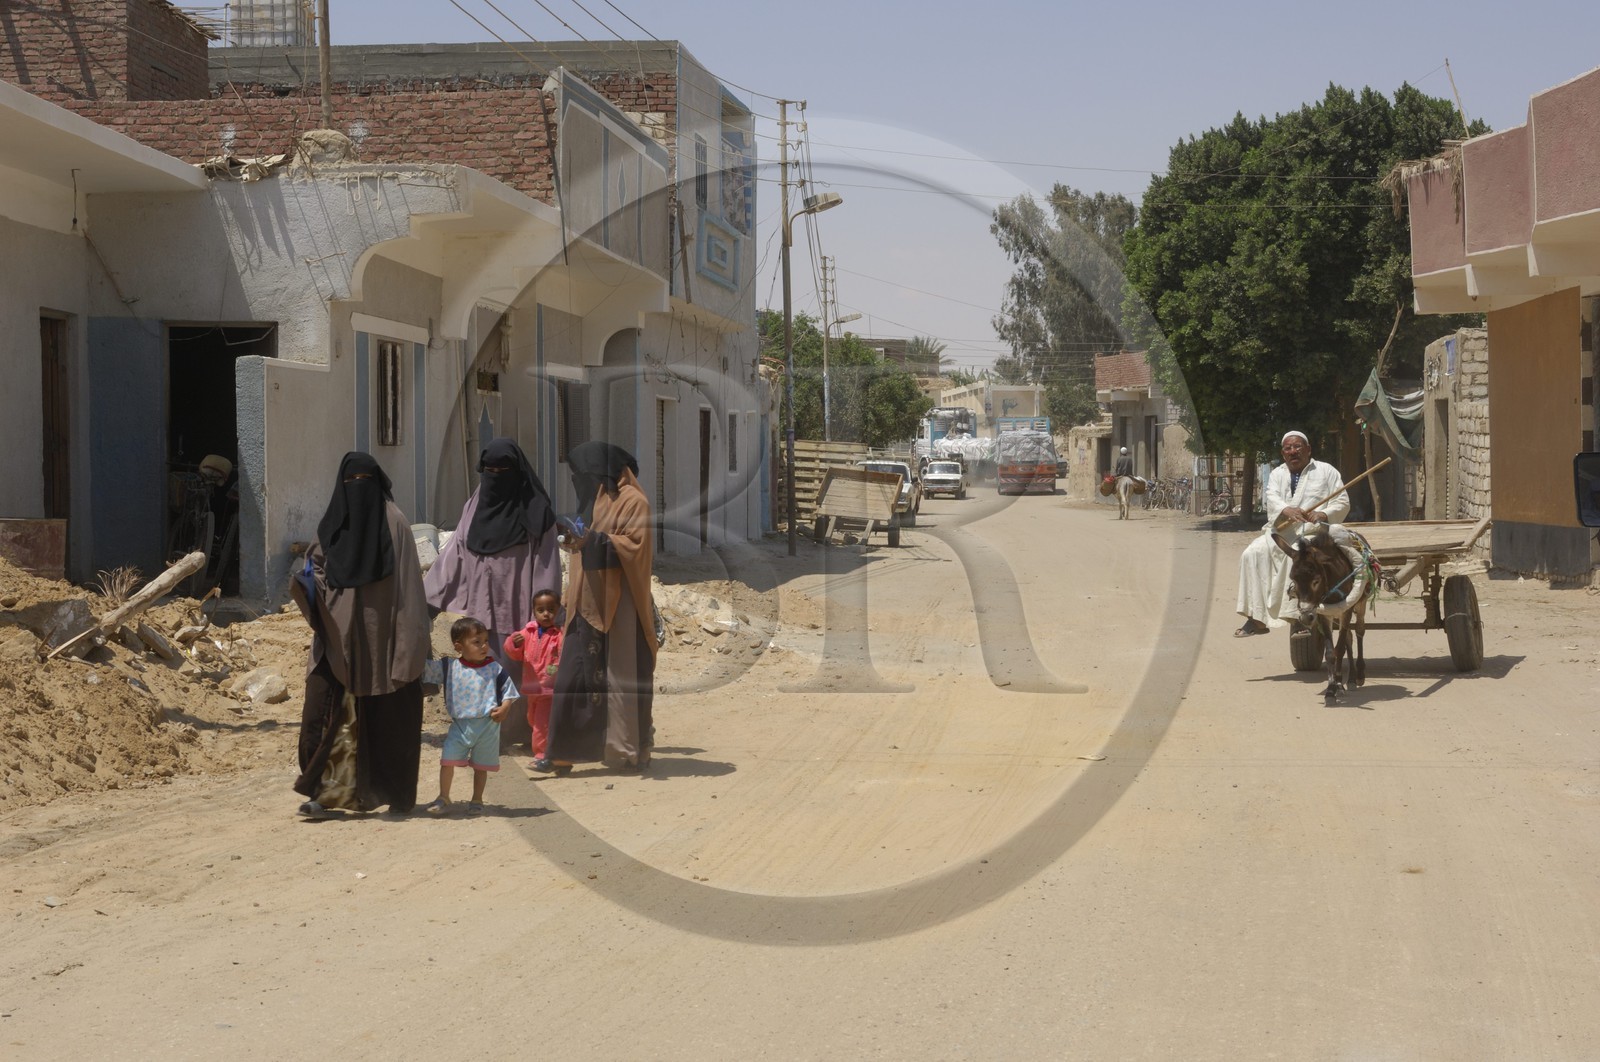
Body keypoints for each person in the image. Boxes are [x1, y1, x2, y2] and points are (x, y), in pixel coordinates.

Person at [291, 453, 431, 817]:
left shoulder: (395, 522)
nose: (358, 489)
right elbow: (314, 569)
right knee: (324, 713)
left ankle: (391, 795)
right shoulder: (334, 523)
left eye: (363, 480)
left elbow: (410, 588)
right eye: (350, 481)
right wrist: (312, 592)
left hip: (384, 638)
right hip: (339, 641)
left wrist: (408, 645)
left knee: (389, 718)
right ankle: (324, 795)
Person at [425, 437, 561, 748]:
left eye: (502, 470)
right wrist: (430, 595)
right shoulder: (475, 504)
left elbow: (548, 563)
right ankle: (493, 732)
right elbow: (455, 551)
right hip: (481, 602)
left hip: (520, 604)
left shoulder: (535, 510)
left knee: (520, 665)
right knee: (484, 663)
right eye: (489, 470)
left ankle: (524, 730)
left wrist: (545, 611)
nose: (495, 477)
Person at [545, 441, 657, 773]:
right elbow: (585, 543)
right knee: (572, 676)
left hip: (622, 607)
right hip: (585, 601)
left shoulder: (635, 502)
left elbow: (635, 548)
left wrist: (592, 541)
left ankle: (627, 750)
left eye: (582, 474)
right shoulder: (593, 501)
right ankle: (562, 752)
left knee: (623, 679)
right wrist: (572, 538)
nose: (578, 481)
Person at [1235, 431, 1349, 636]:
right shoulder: (1277, 474)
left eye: (1297, 447)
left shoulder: (1326, 471)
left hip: (1312, 534)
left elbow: (1342, 502)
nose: (1293, 451)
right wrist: (1286, 510)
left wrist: (1323, 513)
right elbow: (1272, 498)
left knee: (1297, 556)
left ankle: (1298, 619)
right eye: (1288, 448)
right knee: (1251, 553)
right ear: (1283, 453)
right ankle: (1256, 618)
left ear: (1308, 449)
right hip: (1281, 532)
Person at [420, 617, 516, 814]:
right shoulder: (449, 667)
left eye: (485, 641)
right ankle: (443, 796)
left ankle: (477, 799)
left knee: (480, 766)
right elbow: (423, 669)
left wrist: (505, 708)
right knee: (447, 761)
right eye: (476, 642)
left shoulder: (495, 669)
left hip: (488, 726)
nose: (484, 646)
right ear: (458, 646)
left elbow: (509, 692)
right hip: (460, 726)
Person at [505, 588, 564, 772]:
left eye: (551, 609)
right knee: (532, 719)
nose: (546, 614)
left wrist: (557, 668)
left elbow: (563, 655)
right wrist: (515, 642)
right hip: (532, 688)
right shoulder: (528, 631)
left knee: (541, 725)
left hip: (549, 689)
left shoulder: (559, 634)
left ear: (558, 610)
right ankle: (557, 754)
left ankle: (542, 756)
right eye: (541, 610)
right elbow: (514, 653)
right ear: (534, 611)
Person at [1112, 446, 1136, 520]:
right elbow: (1131, 468)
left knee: (1121, 498)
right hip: (1129, 476)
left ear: (1121, 452)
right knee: (1127, 497)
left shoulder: (1119, 459)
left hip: (1121, 476)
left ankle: (1121, 515)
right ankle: (1126, 514)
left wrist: (1116, 474)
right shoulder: (1130, 459)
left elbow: (1117, 469)